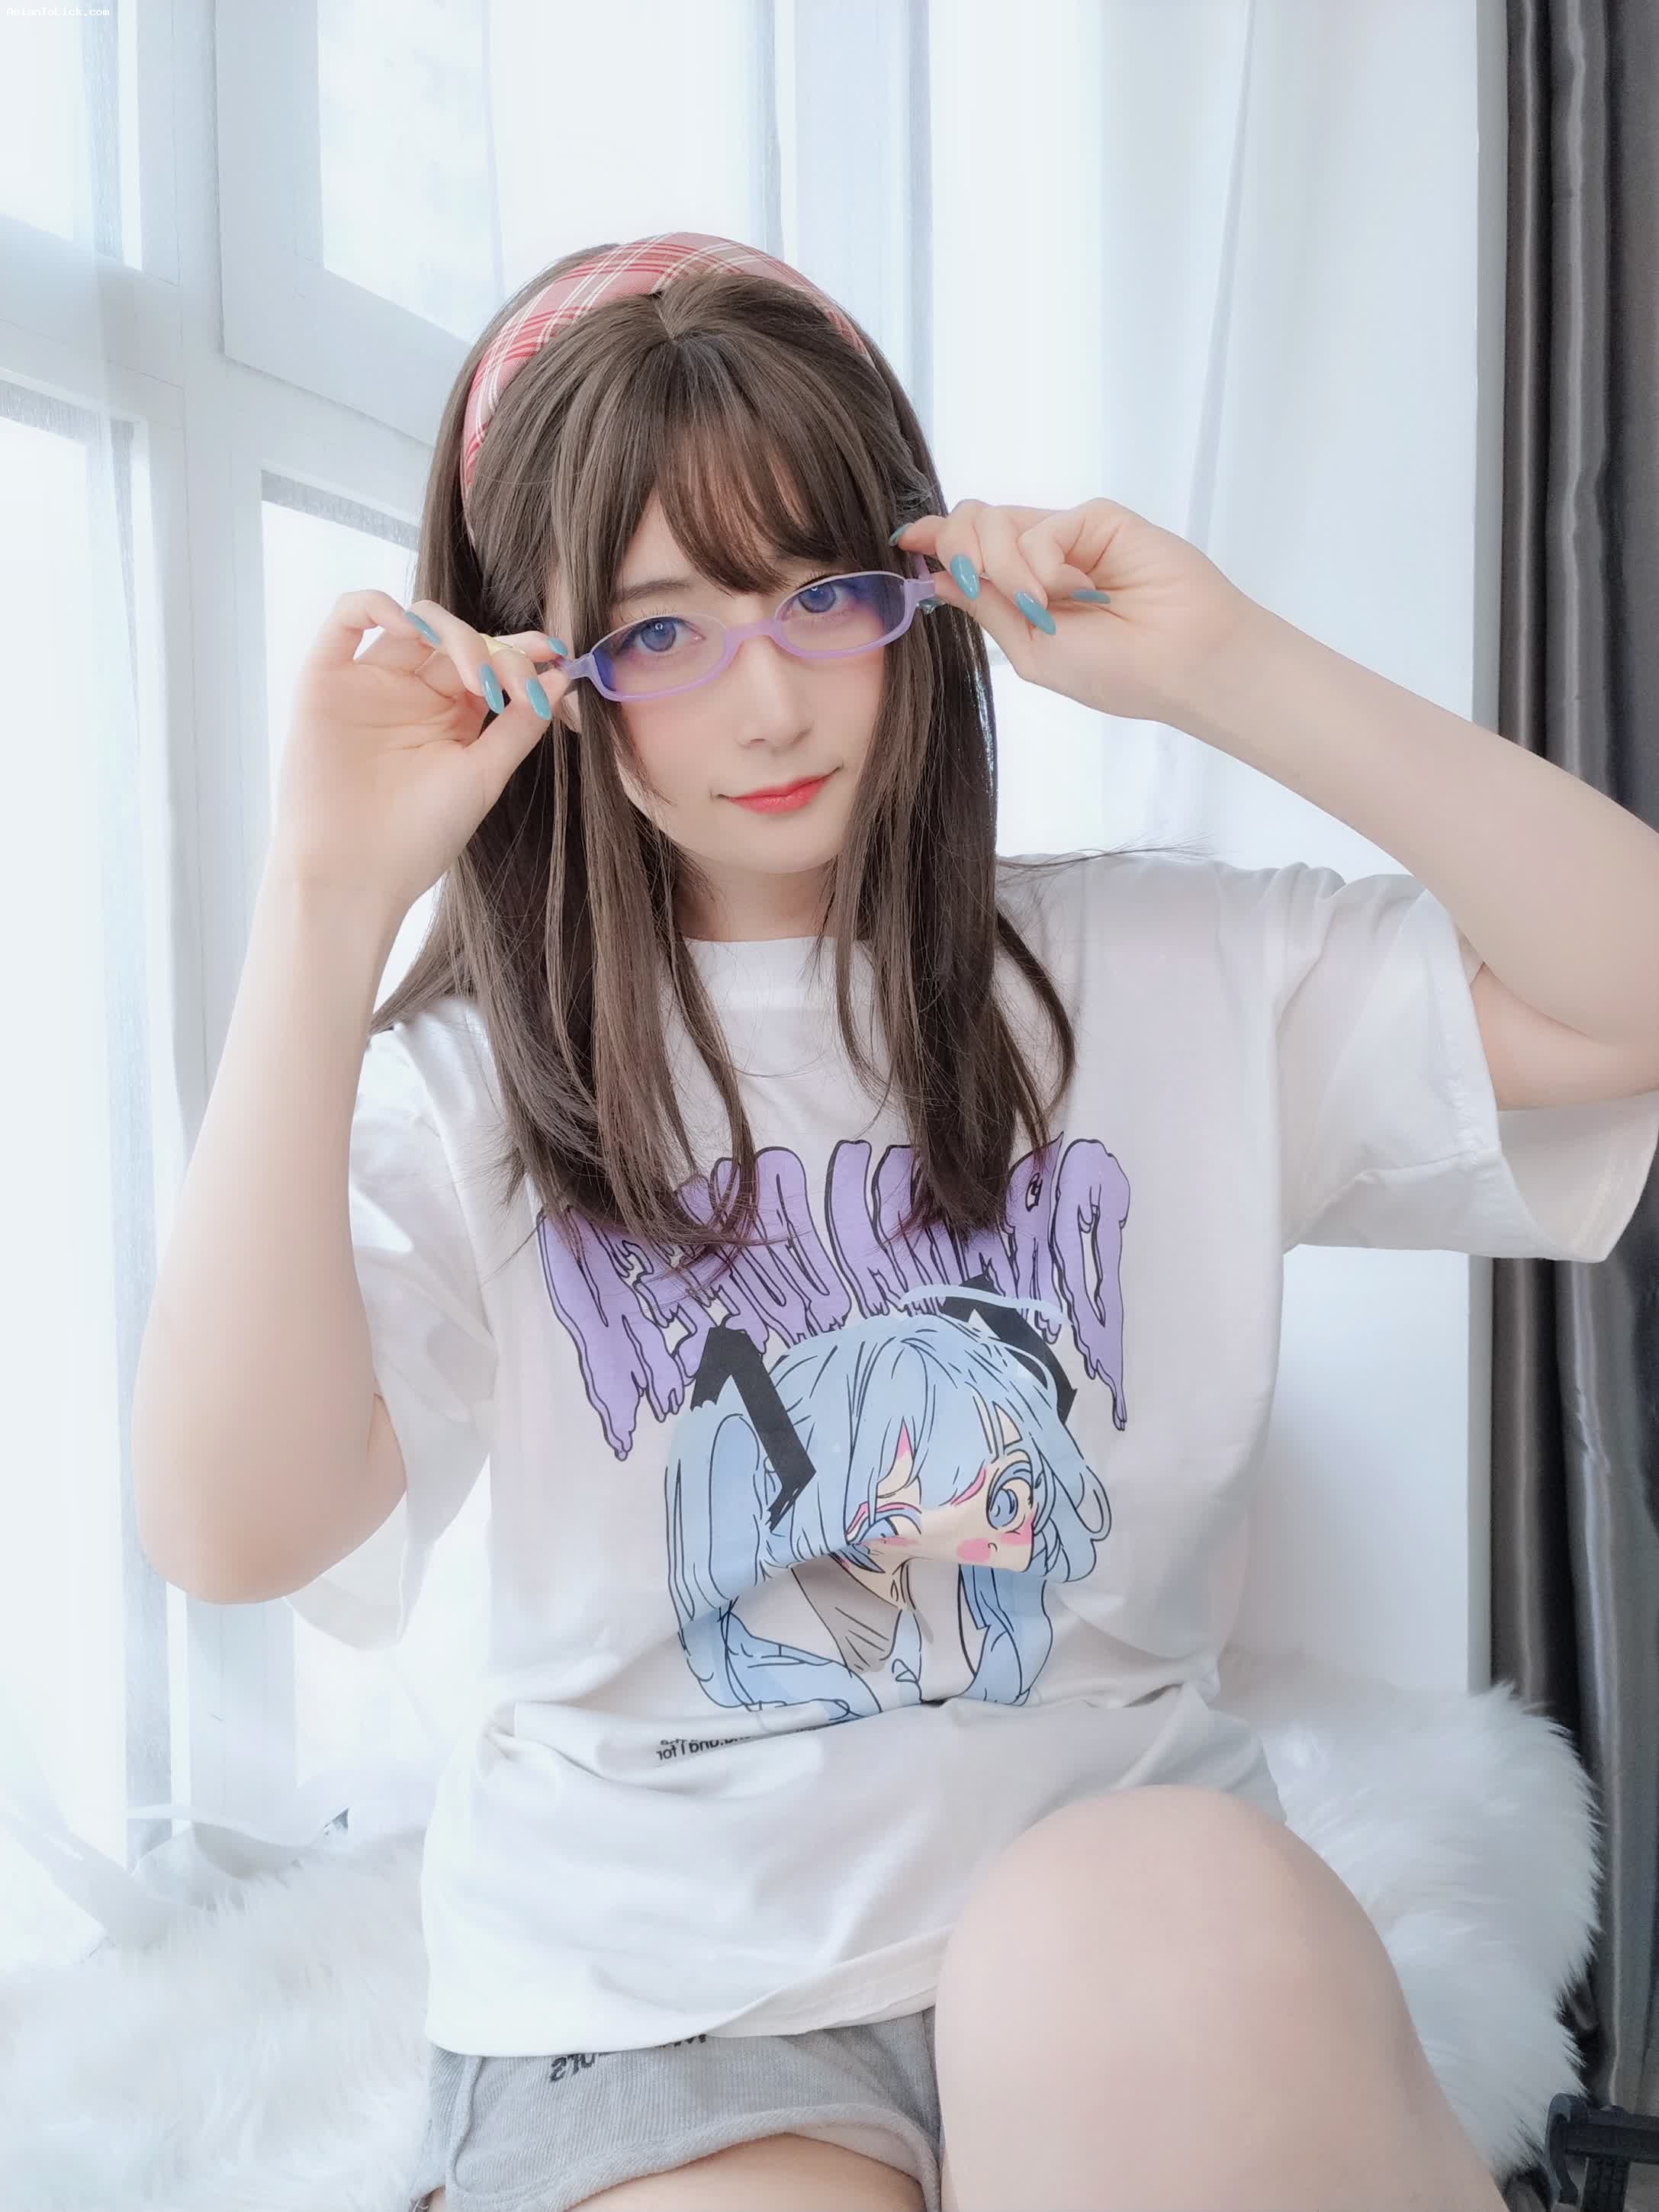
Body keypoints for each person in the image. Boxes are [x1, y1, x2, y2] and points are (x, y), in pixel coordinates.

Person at [130, 233, 1659, 2212]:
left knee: (1141, 1915)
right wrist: (325, 900)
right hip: (655, 1998)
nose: (770, 705)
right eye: (662, 633)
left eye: (818, 598)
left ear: (911, 595)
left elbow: (1631, 988)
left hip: (1131, 1944)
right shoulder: (483, 1087)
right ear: (549, 673)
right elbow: (230, 1528)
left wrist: (1223, 666)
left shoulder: (1166, 972)